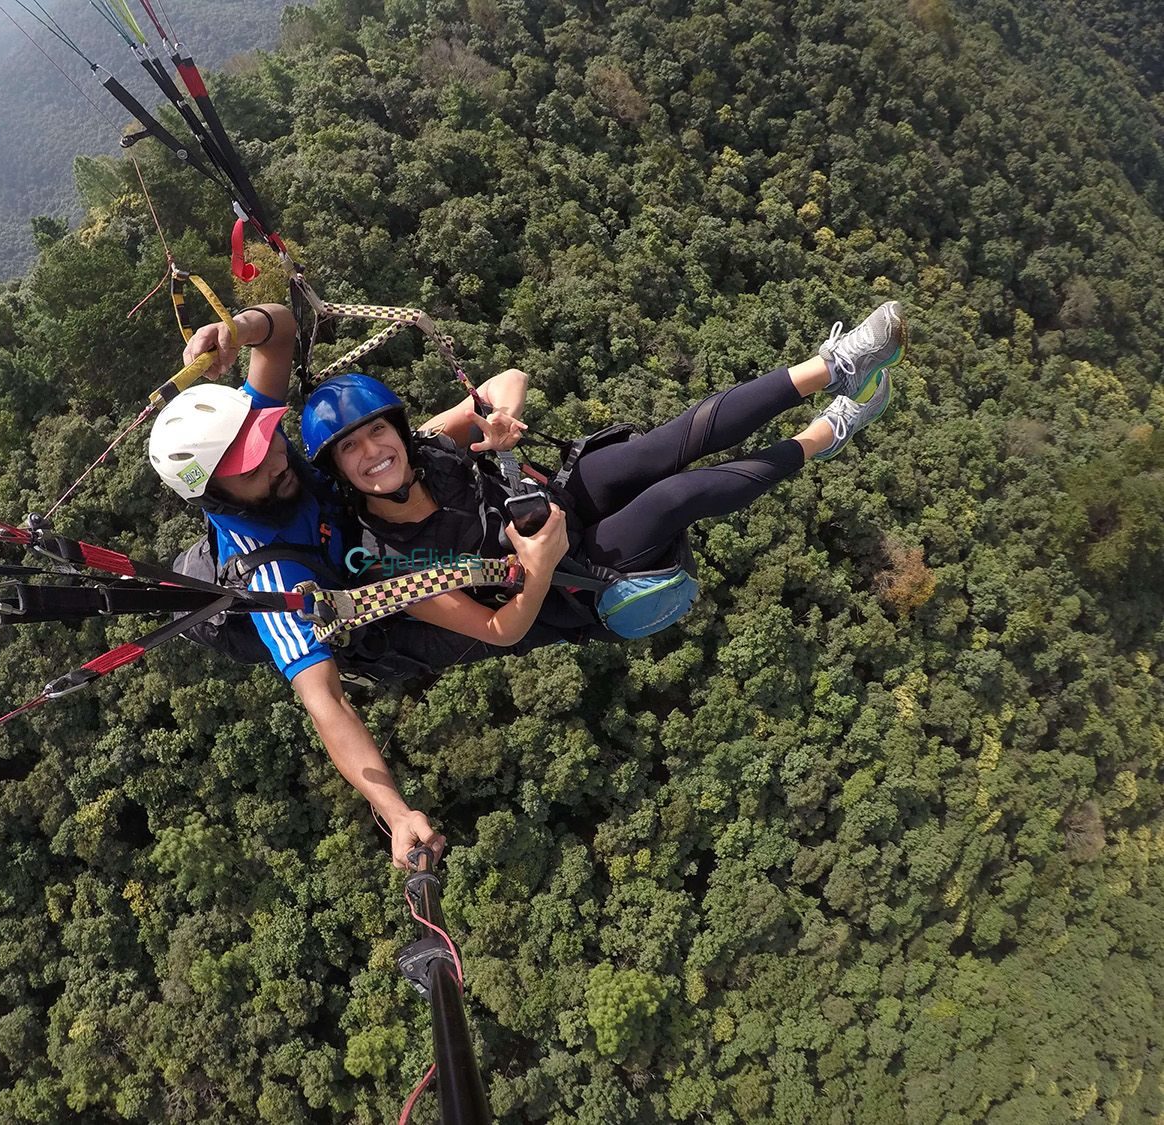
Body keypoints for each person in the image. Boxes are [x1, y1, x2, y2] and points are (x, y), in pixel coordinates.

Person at [147, 303, 567, 868]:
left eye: (268, 440)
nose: (275, 457)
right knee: (538, 618)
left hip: (377, 531)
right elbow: (327, 704)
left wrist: (233, 331)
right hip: (377, 620)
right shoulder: (268, 574)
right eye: (250, 467)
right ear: (215, 494)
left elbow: (280, 333)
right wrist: (394, 812)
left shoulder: (252, 435)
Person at [301, 302, 907, 646]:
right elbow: (497, 629)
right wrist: (536, 571)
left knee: (665, 445)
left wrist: (503, 419)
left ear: (397, 430)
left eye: (377, 431)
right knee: (676, 494)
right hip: (569, 577)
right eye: (350, 448)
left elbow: (506, 380)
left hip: (554, 496)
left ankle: (835, 365)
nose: (373, 451)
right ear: (339, 472)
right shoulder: (392, 563)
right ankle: (827, 432)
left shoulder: (428, 445)